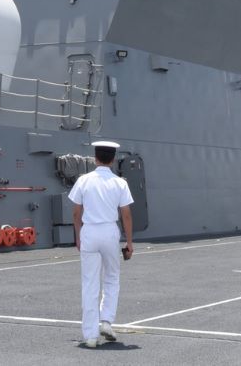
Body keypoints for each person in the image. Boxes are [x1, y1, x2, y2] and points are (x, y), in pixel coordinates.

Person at [69, 140, 134, 348]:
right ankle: (106, 321)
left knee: (89, 283)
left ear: (95, 158)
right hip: (109, 232)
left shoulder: (83, 180)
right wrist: (129, 242)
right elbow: (126, 215)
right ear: (113, 159)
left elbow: (76, 212)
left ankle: (90, 335)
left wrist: (78, 236)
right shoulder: (119, 183)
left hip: (89, 231)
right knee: (112, 278)